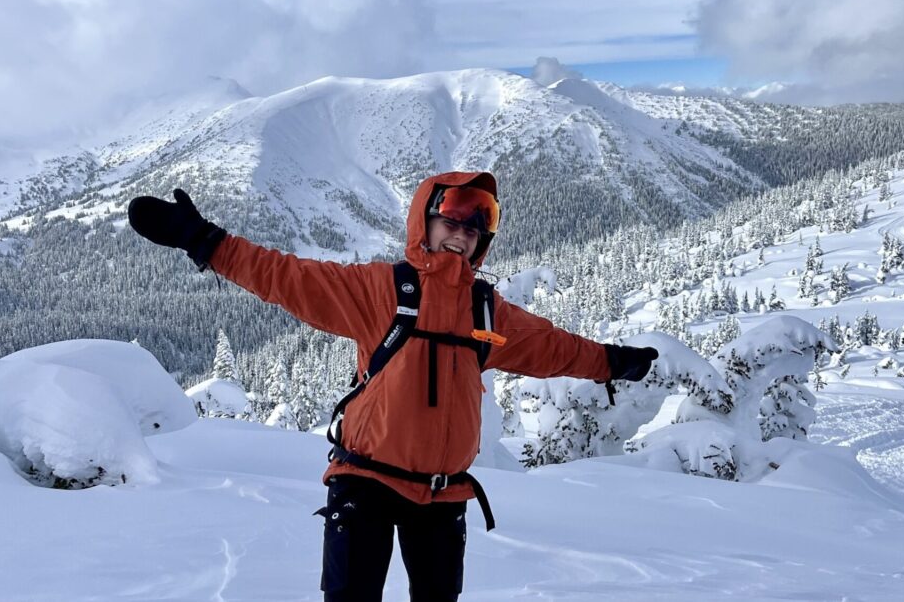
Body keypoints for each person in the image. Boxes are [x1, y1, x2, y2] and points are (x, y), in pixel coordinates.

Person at [128, 171, 658, 601]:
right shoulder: (383, 291)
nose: (463, 232)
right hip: (366, 484)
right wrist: (206, 242)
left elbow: (553, 347)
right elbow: (286, 277)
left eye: (476, 227)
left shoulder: (486, 311)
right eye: (452, 218)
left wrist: (612, 362)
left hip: (442, 492)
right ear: (424, 222)